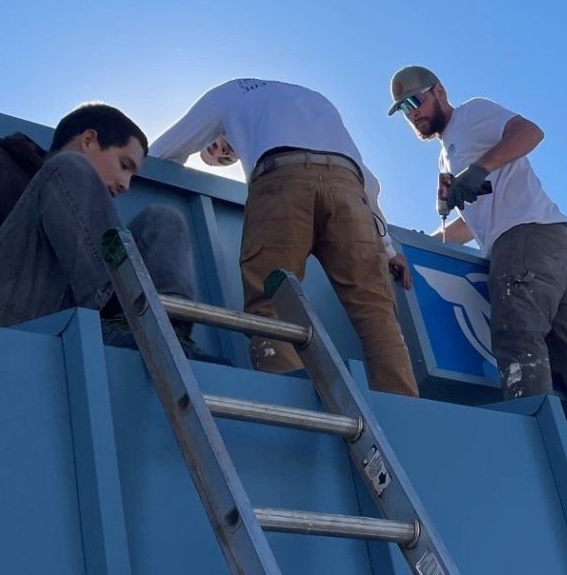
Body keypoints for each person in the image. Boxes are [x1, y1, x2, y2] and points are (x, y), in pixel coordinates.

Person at [388, 65, 567, 432]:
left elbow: (530, 132)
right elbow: (473, 224)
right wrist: (425, 244)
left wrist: (478, 168)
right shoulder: (445, 157)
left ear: (439, 91)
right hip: (550, 243)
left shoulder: (471, 114)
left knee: (515, 333)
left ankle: (533, 436)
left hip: (526, 238)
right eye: (403, 109)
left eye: (415, 100)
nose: (412, 113)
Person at [151, 79, 418, 397]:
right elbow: (368, 183)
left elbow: (160, 153)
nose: (223, 151)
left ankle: (286, 397)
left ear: (213, 132)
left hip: (282, 178)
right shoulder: (316, 99)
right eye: (224, 158)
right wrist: (388, 249)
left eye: (216, 146)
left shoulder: (229, 93)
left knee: (269, 302)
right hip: (348, 187)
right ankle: (405, 406)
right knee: (376, 309)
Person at [0, 103, 201, 347]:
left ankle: (168, 334)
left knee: (163, 219)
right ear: (89, 140)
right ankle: (128, 317)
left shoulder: (91, 213)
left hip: (67, 321)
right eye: (124, 165)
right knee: (69, 170)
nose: (126, 184)